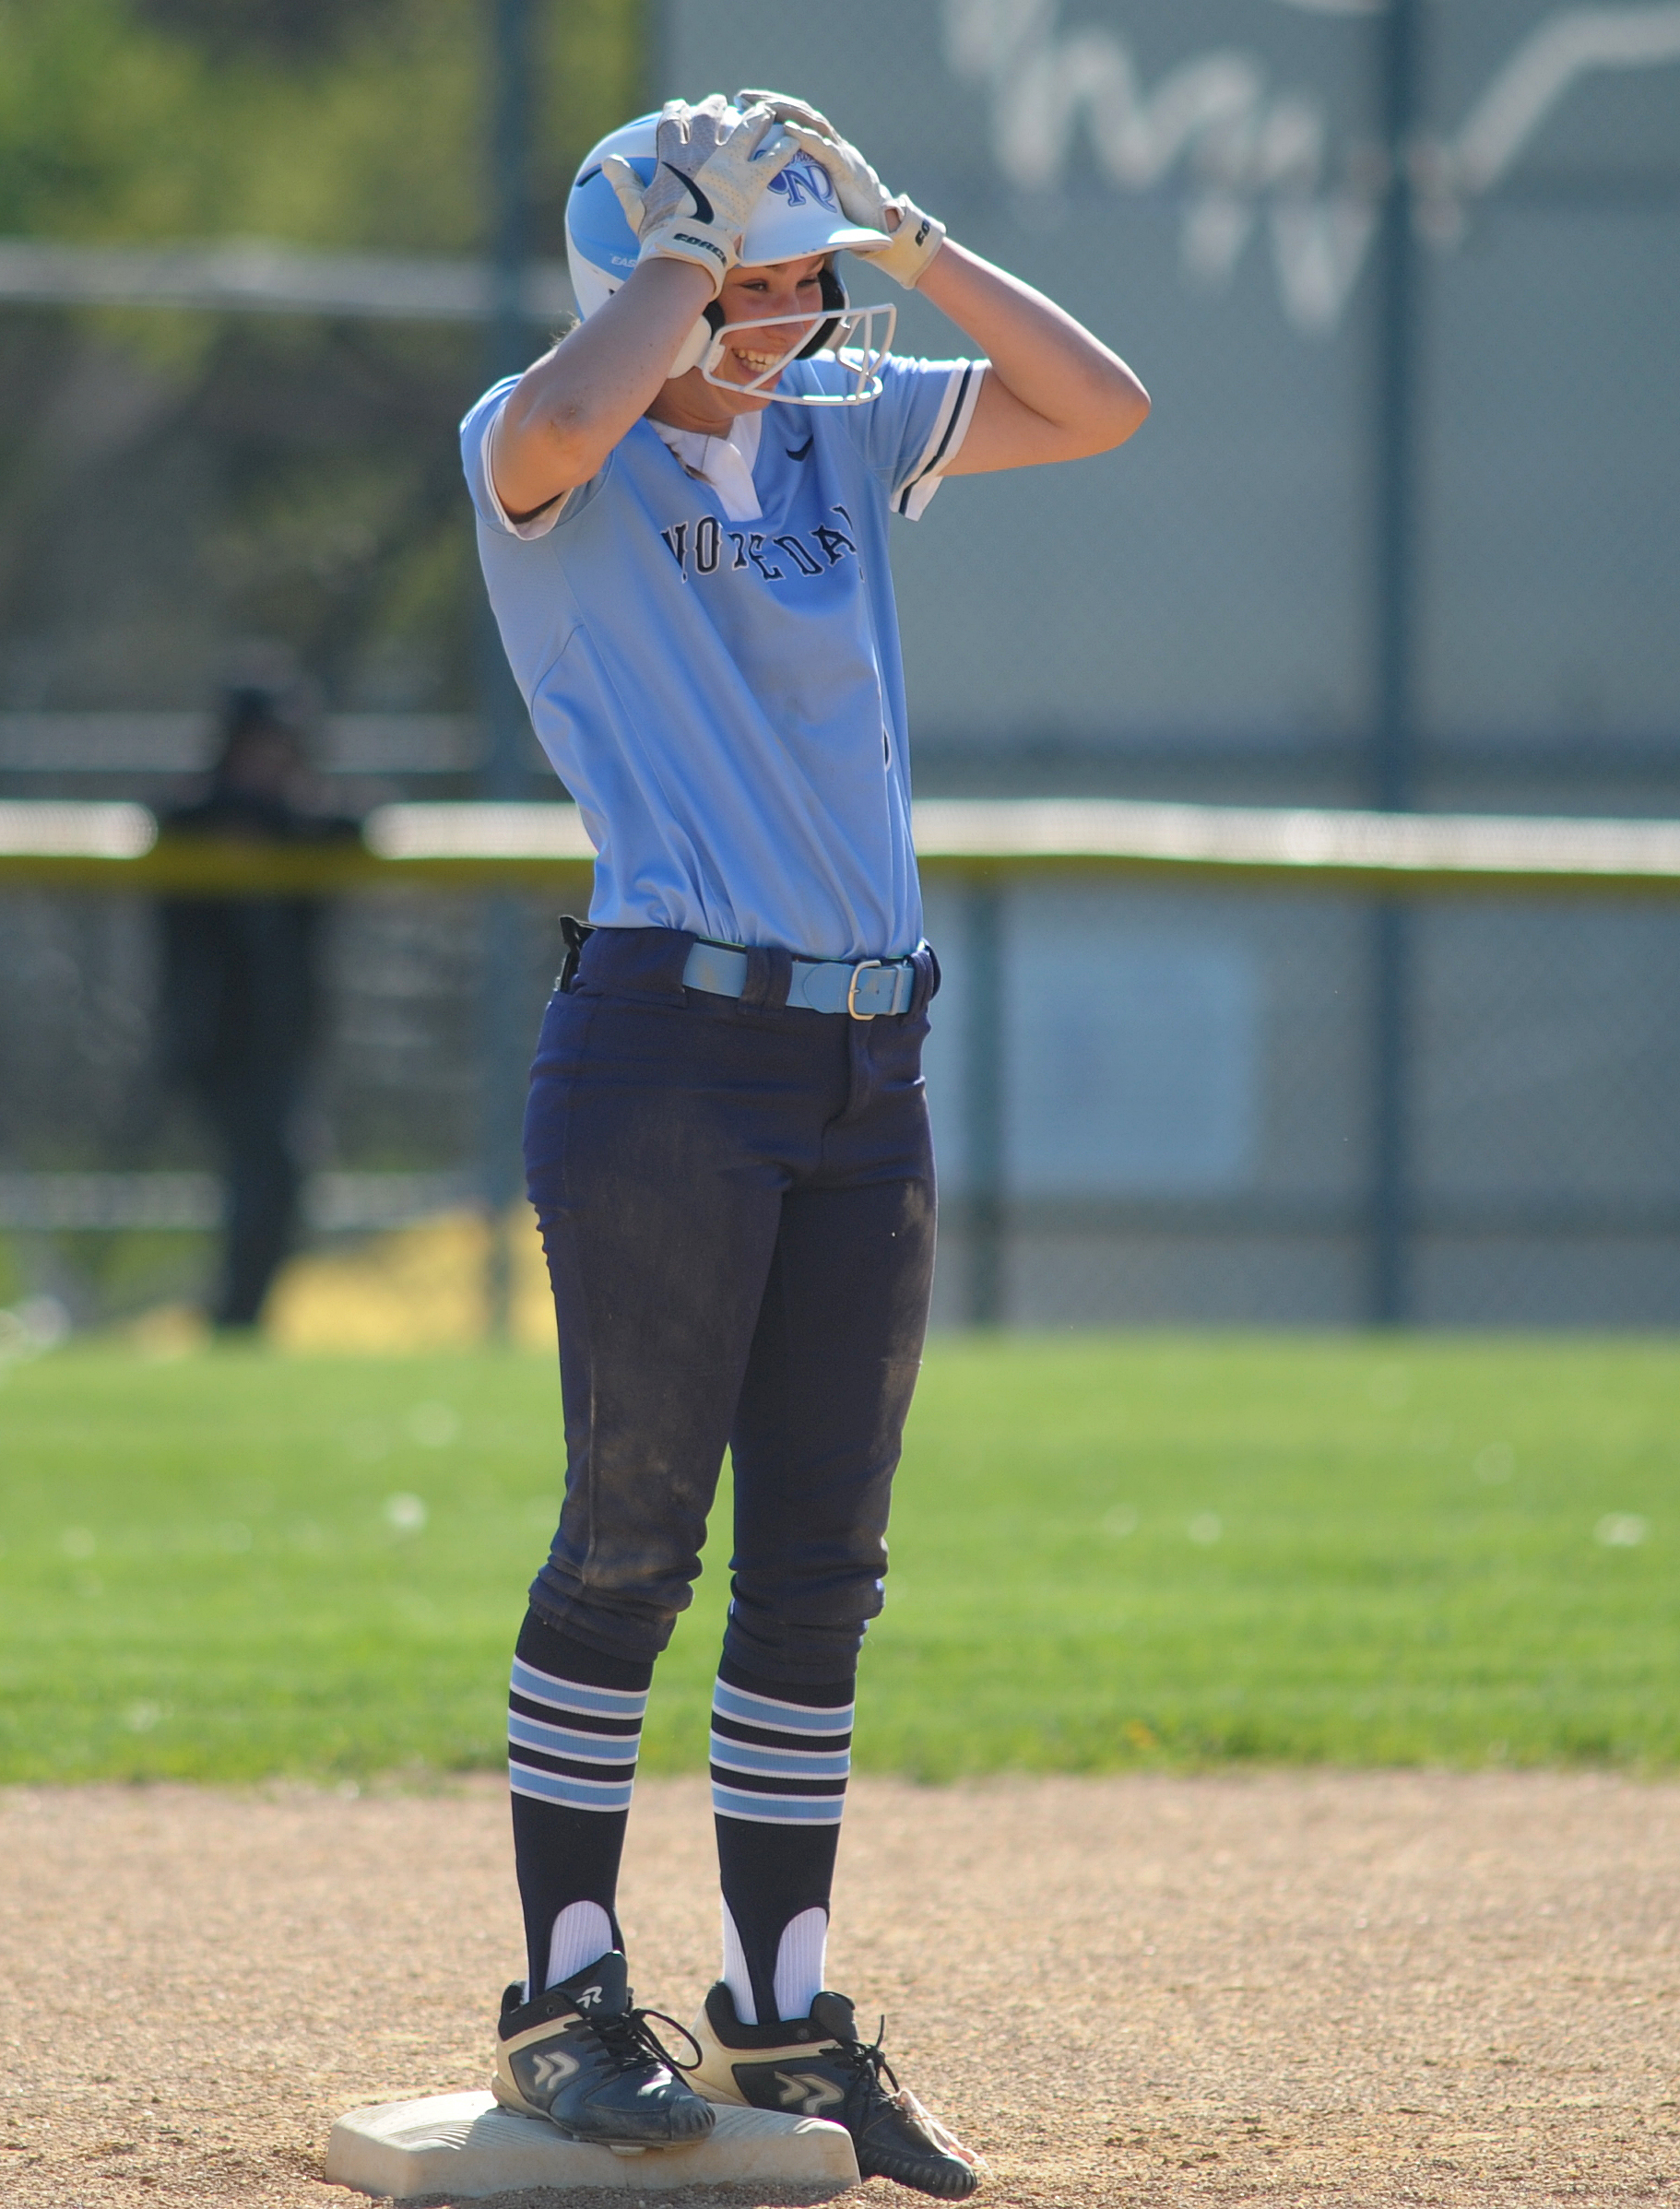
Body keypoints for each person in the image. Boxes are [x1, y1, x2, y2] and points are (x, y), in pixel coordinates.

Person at [457, 93, 1146, 2196]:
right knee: (627, 1543)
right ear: (647, 285)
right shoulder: (541, 439)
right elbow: (558, 427)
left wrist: (893, 227)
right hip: (670, 1045)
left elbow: (1097, 403)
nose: (788, 313)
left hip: (865, 1060)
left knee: (820, 1577)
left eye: (791, 279)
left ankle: (777, 2012)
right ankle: (562, 2000)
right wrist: (683, 252)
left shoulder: (840, 419)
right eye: (750, 284)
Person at [154, 683, 356, 1331]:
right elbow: (168, 818)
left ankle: (241, 1316)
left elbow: (356, 824)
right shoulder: (195, 820)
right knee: (263, 1168)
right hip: (212, 1032)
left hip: (285, 1034)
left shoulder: (299, 824)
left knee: (278, 1174)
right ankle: (236, 1316)